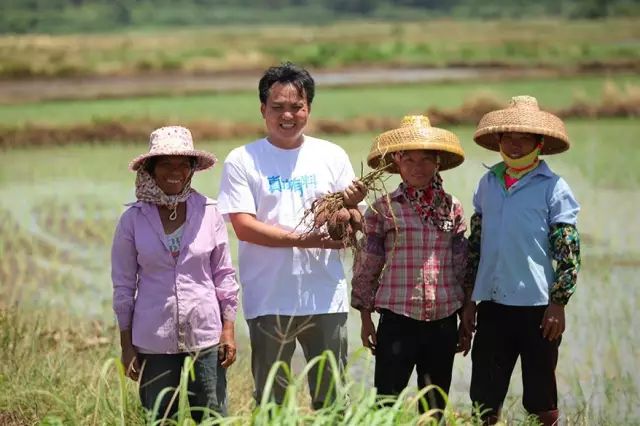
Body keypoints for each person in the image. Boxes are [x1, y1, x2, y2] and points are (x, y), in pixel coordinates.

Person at [216, 62, 366, 409]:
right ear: (263, 110)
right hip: (270, 299)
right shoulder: (243, 160)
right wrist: (307, 239)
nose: (288, 115)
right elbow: (244, 226)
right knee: (273, 401)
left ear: (308, 108)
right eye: (278, 107)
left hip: (325, 297)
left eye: (296, 106)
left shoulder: (331, 155)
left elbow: (352, 222)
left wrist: (353, 212)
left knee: (332, 400)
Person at [461, 96, 581, 425]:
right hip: (493, 306)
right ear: (498, 141)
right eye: (508, 137)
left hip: (538, 309)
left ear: (539, 143)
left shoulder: (554, 188)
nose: (515, 145)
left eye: (524, 138)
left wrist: (558, 302)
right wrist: (470, 301)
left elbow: (568, 251)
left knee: (541, 398)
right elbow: (476, 246)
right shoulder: (487, 183)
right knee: (485, 398)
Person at [111, 126, 239, 421]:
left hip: (205, 337)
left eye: (183, 164)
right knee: (160, 418)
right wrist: (126, 345)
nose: (175, 171)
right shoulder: (133, 220)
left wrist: (228, 330)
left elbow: (224, 275)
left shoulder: (209, 212)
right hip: (153, 340)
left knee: (211, 418)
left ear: (192, 170)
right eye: (166, 164)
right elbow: (123, 286)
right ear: (151, 169)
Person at [351, 115, 470, 415]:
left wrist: (468, 314)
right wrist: (366, 317)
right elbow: (368, 265)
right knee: (386, 405)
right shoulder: (384, 208)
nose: (418, 167)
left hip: (443, 320)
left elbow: (462, 266)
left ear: (438, 162)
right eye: (409, 159)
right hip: (397, 318)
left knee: (434, 407)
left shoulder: (452, 207)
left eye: (426, 159)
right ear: (397, 162)